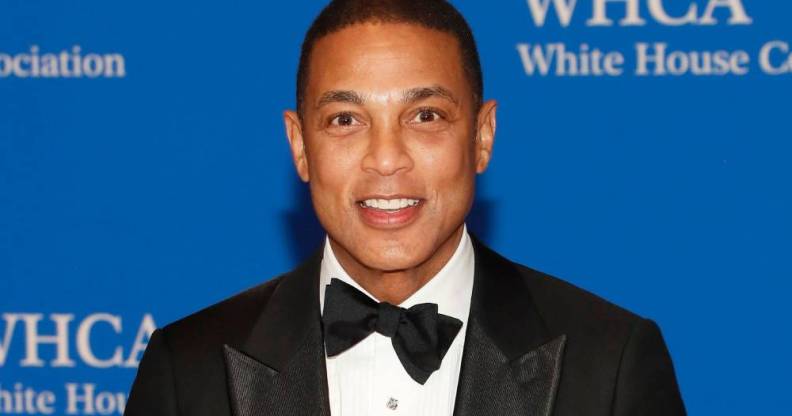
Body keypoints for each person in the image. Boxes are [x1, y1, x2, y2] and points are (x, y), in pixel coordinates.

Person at [124, 1, 686, 415]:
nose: (386, 159)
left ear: (482, 136)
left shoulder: (609, 363)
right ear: (300, 146)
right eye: (346, 120)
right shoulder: (186, 370)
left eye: (426, 117)